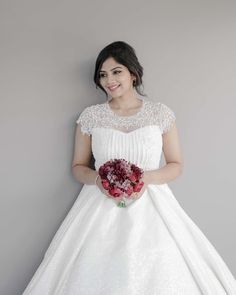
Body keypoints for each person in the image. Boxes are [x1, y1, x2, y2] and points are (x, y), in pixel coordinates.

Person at [22, 41, 236, 295]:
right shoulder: (91, 116)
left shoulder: (160, 114)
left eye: (116, 71)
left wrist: (143, 178)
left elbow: (176, 165)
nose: (109, 80)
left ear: (132, 73)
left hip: (153, 204)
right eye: (103, 74)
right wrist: (99, 180)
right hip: (98, 204)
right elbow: (78, 167)